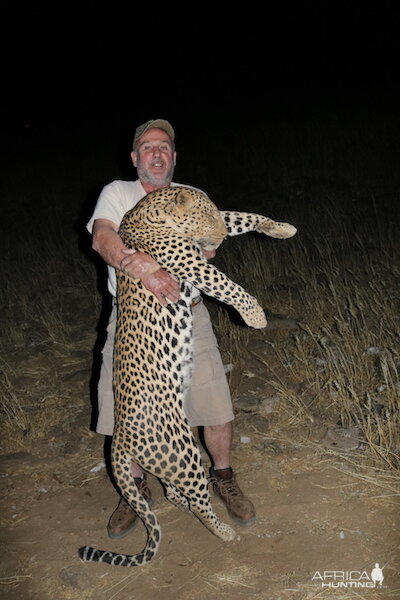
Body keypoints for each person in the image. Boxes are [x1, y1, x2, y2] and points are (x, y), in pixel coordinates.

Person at [86, 118, 255, 539]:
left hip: (188, 313)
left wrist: (210, 247)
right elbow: (101, 238)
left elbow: (207, 249)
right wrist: (135, 263)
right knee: (128, 415)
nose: (156, 153)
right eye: (148, 147)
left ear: (174, 157)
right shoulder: (117, 193)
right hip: (132, 319)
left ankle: (223, 477)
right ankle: (135, 492)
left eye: (164, 147)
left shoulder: (193, 196)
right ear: (135, 157)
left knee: (215, 404)